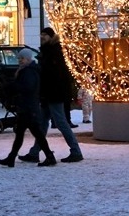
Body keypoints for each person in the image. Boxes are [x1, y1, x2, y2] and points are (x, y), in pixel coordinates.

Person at [26, 27, 84, 164]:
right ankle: (34, 152)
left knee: (60, 122)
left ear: (51, 36)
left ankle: (76, 151)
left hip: (54, 93)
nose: (42, 37)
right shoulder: (48, 51)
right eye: (41, 35)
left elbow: (55, 75)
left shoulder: (55, 51)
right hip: (49, 93)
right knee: (43, 123)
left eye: (45, 35)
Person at [0, 49, 57, 168]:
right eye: (19, 58)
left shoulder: (29, 71)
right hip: (27, 107)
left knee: (34, 134)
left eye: (22, 58)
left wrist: (12, 86)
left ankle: (49, 157)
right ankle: (12, 157)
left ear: (28, 59)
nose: (20, 60)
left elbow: (27, 87)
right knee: (23, 134)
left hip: (28, 108)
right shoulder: (27, 70)